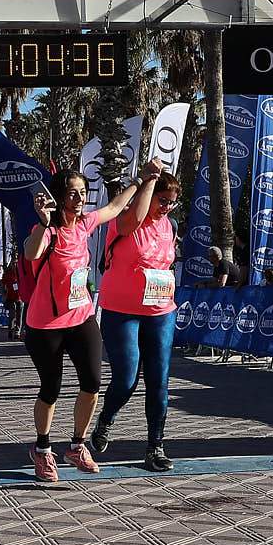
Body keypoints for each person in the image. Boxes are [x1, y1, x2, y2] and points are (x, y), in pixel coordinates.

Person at [23, 163, 158, 482]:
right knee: (51, 389)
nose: (79, 199)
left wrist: (141, 180)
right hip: (46, 324)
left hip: (81, 315)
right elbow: (31, 254)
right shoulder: (47, 230)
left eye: (83, 193)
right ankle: (42, 450)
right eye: (72, 193)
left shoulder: (84, 224)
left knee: (93, 382)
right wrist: (43, 222)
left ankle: (77, 445)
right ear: (57, 196)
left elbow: (114, 207)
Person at [93, 168, 182, 471]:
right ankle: (106, 418)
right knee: (127, 378)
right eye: (162, 201)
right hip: (122, 311)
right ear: (149, 194)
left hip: (160, 311)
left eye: (172, 203)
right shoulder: (124, 221)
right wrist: (149, 180)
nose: (166, 208)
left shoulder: (168, 226)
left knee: (159, 381)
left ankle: (155, 447)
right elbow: (135, 217)